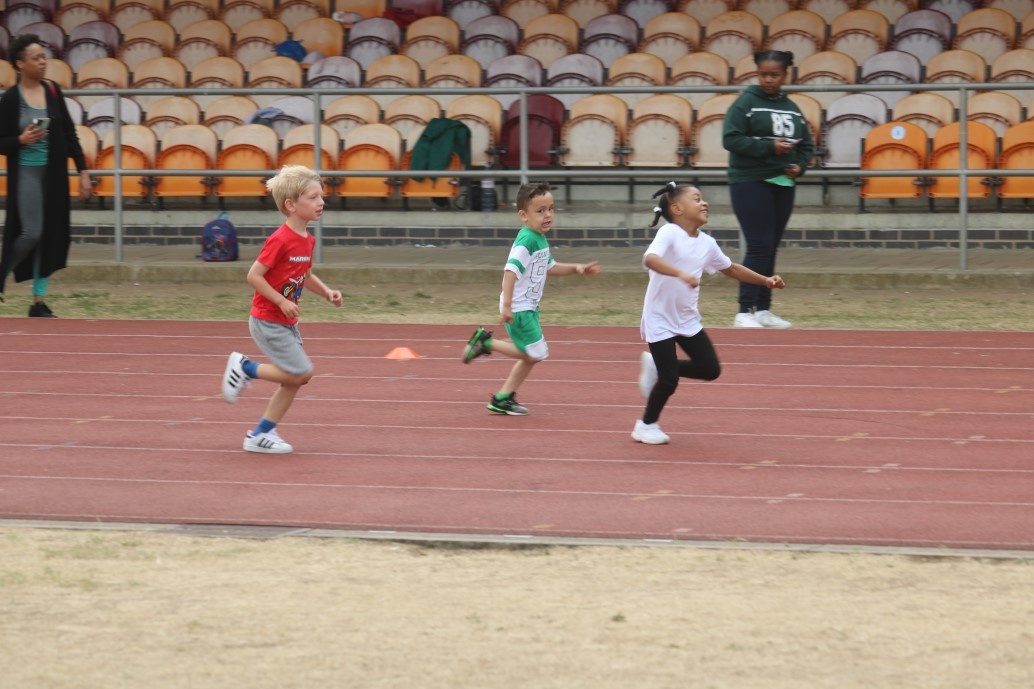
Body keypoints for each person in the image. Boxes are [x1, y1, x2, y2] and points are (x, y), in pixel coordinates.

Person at [633, 182, 786, 445]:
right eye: (696, 199)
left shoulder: (707, 243)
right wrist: (680, 273)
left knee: (710, 369)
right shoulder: (669, 233)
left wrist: (765, 281)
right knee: (669, 380)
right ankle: (646, 425)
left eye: (703, 199)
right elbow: (651, 259)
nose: (704, 203)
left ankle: (657, 367)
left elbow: (731, 268)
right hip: (659, 318)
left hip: (687, 318)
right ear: (677, 208)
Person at [220, 165, 342, 454]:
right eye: (313, 197)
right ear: (291, 205)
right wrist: (281, 301)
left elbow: (305, 275)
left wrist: (326, 292)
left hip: (285, 322)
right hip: (267, 320)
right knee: (302, 373)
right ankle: (245, 368)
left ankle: (260, 434)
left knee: (294, 381)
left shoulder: (307, 239)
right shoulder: (280, 239)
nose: (321, 202)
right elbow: (254, 276)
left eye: (321, 196)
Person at [461, 181, 602, 415]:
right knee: (536, 353)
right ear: (523, 216)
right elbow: (510, 271)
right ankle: (486, 343)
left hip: (528, 307)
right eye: (540, 211)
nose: (548, 215)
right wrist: (507, 306)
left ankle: (503, 398)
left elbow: (550, 266)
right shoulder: (526, 241)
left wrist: (577, 268)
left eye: (551, 209)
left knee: (530, 355)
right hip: (519, 309)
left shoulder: (538, 238)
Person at [0, 33, 93, 316]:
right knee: (32, 233)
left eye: (44, 57)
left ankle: (38, 302)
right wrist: (20, 140)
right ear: (20, 64)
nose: (43, 62)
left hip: (53, 174)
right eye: (36, 58)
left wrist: (83, 171)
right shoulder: (10, 99)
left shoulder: (52, 91)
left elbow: (69, 133)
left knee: (49, 235)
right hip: (26, 172)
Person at [722, 49, 812, 329]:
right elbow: (731, 139)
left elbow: (807, 145)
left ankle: (763, 309)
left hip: (783, 182)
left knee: (770, 246)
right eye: (763, 74)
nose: (769, 80)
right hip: (750, 180)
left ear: (785, 75)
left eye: (775, 75)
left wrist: (799, 166)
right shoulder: (746, 103)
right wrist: (769, 147)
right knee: (759, 245)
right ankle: (743, 311)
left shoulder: (792, 107)